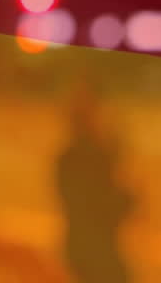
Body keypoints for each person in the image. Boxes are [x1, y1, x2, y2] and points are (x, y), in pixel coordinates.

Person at [56, 82, 134, 283]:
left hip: (77, 246)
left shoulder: (66, 157)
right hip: (98, 249)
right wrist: (130, 198)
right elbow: (105, 206)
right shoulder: (95, 158)